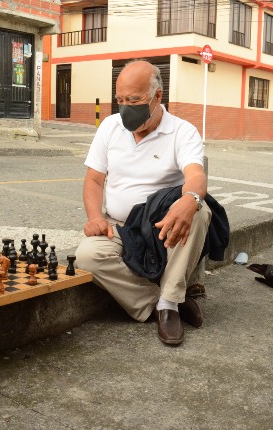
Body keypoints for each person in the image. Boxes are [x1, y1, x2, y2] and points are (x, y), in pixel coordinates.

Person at [74, 60, 212, 346]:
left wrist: (190, 199)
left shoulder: (182, 131)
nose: (126, 107)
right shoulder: (110, 127)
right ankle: (162, 301)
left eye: (134, 100)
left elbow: (196, 176)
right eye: (121, 100)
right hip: (118, 225)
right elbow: (94, 180)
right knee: (87, 257)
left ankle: (169, 304)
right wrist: (95, 217)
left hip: (160, 227)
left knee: (199, 209)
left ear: (157, 96)